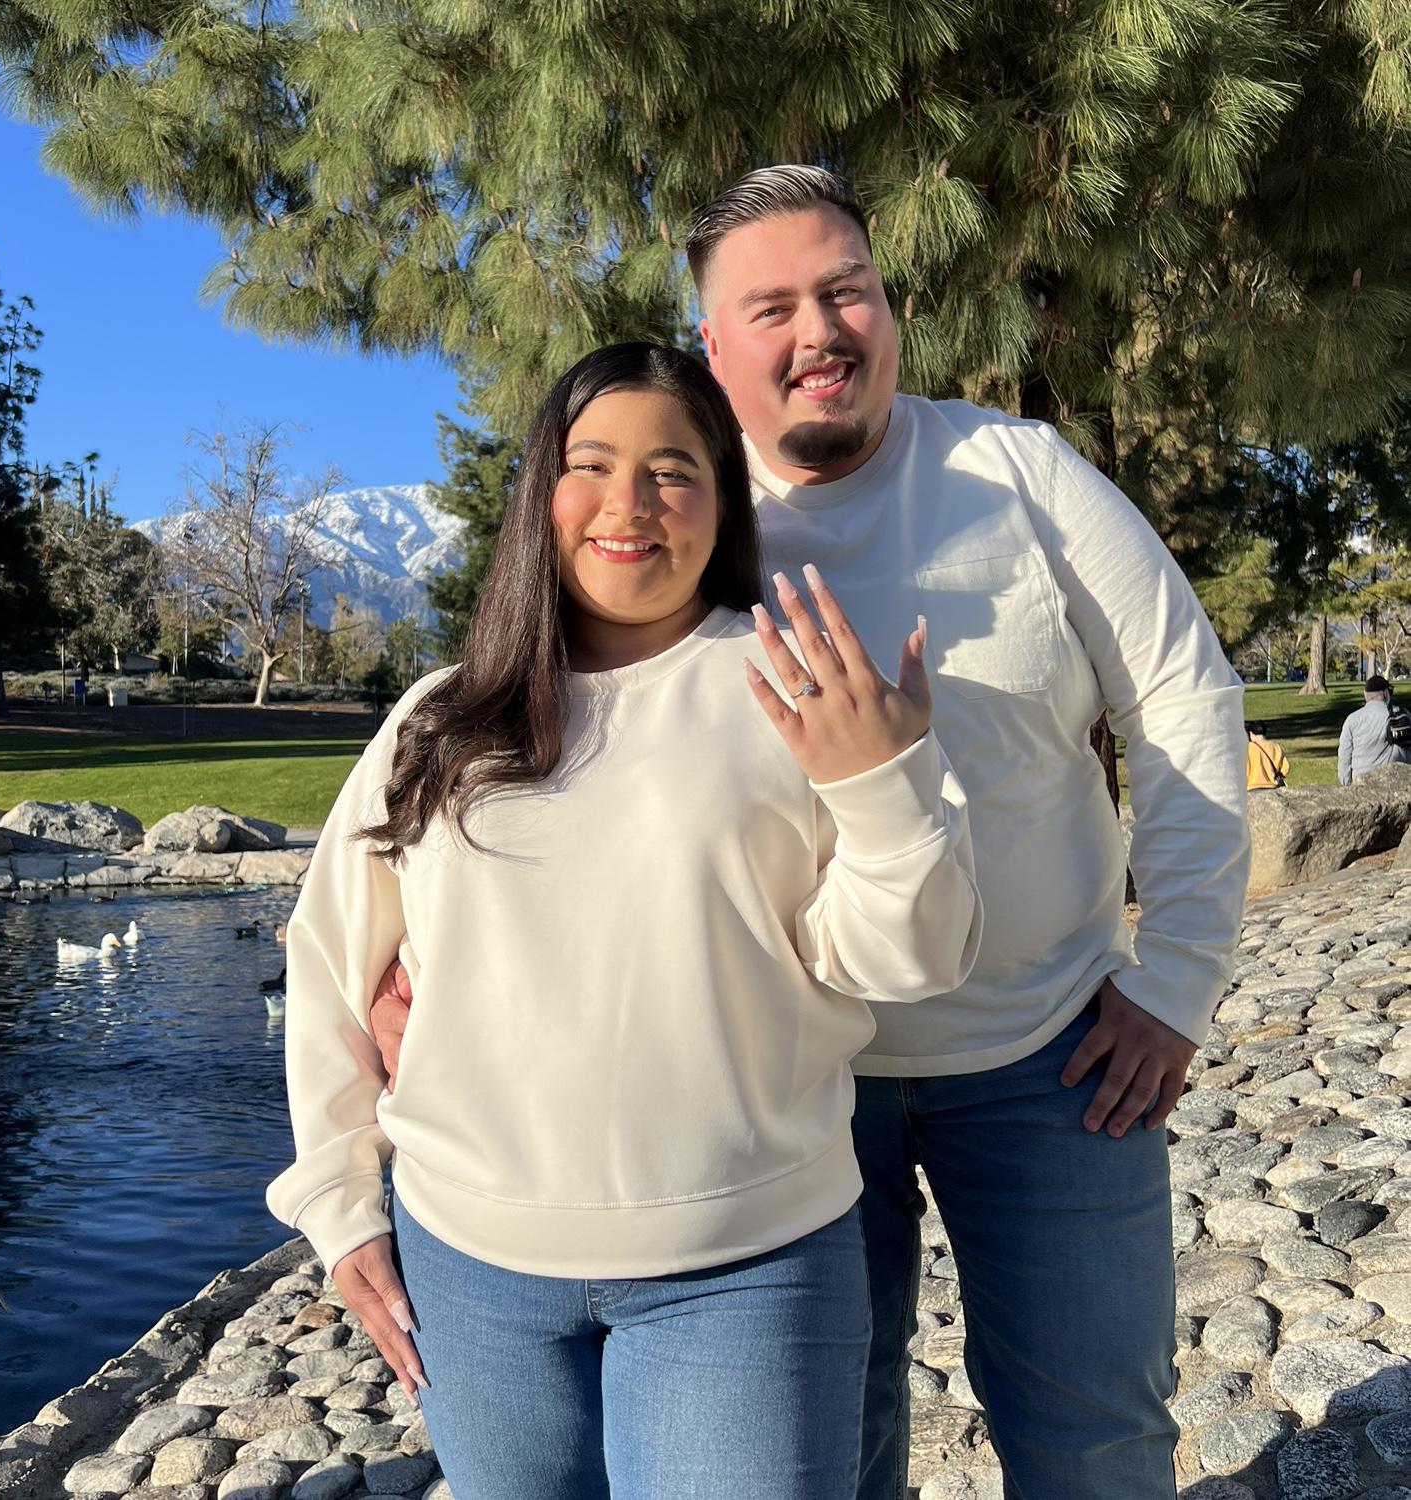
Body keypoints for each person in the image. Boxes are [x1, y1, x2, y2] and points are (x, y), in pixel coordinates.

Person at [369, 165, 1250, 1500]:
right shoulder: (674, 520)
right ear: (712, 346)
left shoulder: (1018, 473)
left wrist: (1175, 981)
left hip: (1050, 1053)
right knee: (839, 1453)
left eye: (847, 291)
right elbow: (539, 735)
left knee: (1097, 1435)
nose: (820, 331)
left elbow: (1184, 698)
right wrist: (426, 965)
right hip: (782, 1099)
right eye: (771, 307)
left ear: (891, 309)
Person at [268, 342, 982, 1500]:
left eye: (672, 471)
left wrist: (883, 788)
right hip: (470, 1273)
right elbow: (330, 961)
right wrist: (339, 1206)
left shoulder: (803, 688)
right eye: (590, 464)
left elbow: (915, 960)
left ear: (723, 501)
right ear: (538, 493)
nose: (629, 503)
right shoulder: (441, 720)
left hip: (747, 1266)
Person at [1338, 675, 1411, 784]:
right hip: (1395, 781)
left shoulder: (1352, 719)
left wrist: (1346, 782)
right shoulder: (1401, 715)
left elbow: (1345, 755)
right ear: (1385, 693)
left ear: (1365, 694)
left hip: (1361, 782)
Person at [1245, 720, 1290, 790]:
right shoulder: (1275, 746)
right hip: (1272, 788)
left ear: (1251, 733)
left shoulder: (1247, 748)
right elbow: (1285, 768)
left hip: (1251, 787)